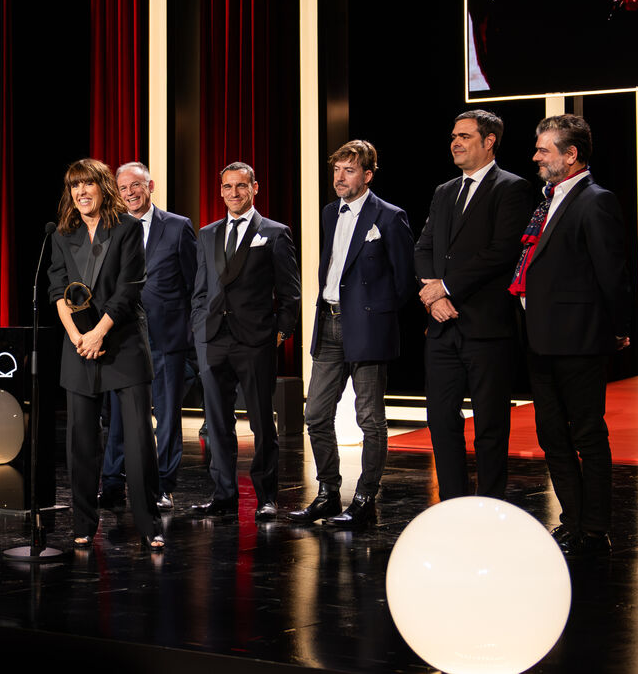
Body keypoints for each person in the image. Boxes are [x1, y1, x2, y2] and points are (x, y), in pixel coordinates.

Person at [511, 114, 632, 556]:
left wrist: (618, 327)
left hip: (579, 339)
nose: (536, 157)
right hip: (541, 339)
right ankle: (572, 521)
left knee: (586, 434)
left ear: (571, 154)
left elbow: (611, 271)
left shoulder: (595, 200)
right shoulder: (547, 201)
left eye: (544, 150)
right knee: (551, 435)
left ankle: (594, 527)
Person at [292, 140, 415, 528]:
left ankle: (365, 499)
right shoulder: (330, 212)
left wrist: (374, 314)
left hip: (367, 327)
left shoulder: (390, 217)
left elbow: (404, 280)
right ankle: (328, 492)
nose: (339, 177)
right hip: (329, 322)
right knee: (315, 414)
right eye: (336, 170)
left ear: (368, 175)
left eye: (349, 170)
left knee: (370, 418)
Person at [414, 111, 533, 500]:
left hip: (487, 327)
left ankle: (491, 504)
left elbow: (501, 252)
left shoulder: (511, 188)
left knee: (490, 425)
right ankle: (452, 502)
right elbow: (424, 248)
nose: (455, 142)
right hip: (442, 327)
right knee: (441, 420)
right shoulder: (444, 191)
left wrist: (446, 288)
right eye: (453, 136)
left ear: (489, 141)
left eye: (464, 136)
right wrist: (434, 296)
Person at [47, 159, 164, 549]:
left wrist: (99, 332)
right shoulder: (62, 234)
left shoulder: (127, 228)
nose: (81, 192)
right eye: (74, 186)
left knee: (138, 441)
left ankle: (149, 524)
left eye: (88, 185)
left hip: (122, 341)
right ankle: (83, 524)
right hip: (79, 344)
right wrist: (77, 336)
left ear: (103, 187)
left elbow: (129, 288)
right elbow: (57, 290)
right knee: (81, 442)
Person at [190, 162, 299, 520]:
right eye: (227, 186)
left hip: (255, 341)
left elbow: (290, 293)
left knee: (261, 423)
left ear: (255, 188)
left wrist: (280, 333)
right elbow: (200, 289)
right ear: (220, 190)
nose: (233, 193)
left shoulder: (275, 233)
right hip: (213, 340)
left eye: (240, 186)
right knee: (217, 423)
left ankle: (267, 497)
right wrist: (198, 328)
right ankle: (224, 495)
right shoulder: (207, 233)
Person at [98, 162, 198, 511]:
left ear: (150, 186)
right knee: (117, 416)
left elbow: (193, 284)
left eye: (135, 186)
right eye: (123, 188)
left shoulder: (178, 226)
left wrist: (191, 335)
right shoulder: (109, 228)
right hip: (122, 336)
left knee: (167, 416)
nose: (129, 193)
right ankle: (113, 482)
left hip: (165, 337)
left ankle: (163, 486)